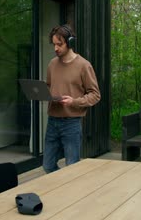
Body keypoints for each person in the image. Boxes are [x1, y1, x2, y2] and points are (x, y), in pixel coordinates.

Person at [43, 24, 101, 173]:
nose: (55, 48)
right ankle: (61, 188)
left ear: (70, 42)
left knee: (72, 168)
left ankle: (71, 193)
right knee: (48, 166)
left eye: (59, 44)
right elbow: (49, 86)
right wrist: (42, 93)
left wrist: (74, 101)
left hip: (71, 123)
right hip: (52, 121)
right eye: (54, 44)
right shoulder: (52, 64)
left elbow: (95, 95)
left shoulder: (84, 65)